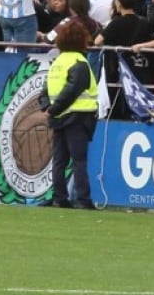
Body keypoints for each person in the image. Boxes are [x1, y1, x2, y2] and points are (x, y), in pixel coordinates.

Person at [44, 19, 99, 209]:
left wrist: (49, 109)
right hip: (78, 115)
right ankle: (83, 199)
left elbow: (46, 89)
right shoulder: (80, 62)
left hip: (58, 118)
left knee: (59, 160)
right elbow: (73, 89)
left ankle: (59, 198)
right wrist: (54, 108)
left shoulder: (57, 61)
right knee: (79, 160)